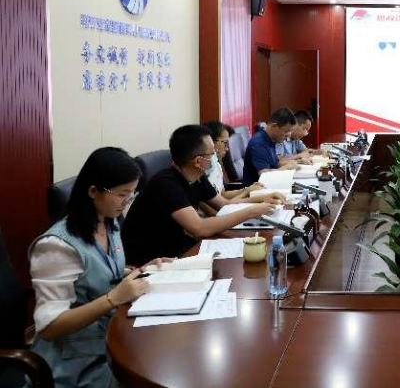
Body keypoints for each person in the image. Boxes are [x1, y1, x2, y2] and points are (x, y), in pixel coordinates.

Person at [28, 147, 168, 388]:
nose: (127, 202)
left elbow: (101, 271)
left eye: (132, 194)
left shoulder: (108, 222)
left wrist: (141, 270)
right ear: (93, 191)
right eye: (122, 194)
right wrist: (113, 298)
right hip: (75, 361)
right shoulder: (56, 247)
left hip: (112, 336)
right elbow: (50, 327)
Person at [122, 125, 281, 264]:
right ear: (198, 161)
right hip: (152, 260)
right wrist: (251, 211)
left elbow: (223, 204)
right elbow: (199, 228)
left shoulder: (197, 176)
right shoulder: (166, 184)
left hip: (178, 248)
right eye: (211, 153)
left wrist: (261, 199)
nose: (215, 156)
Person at [243, 108, 299, 185]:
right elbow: (264, 175)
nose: (289, 135)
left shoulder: (271, 139)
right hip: (257, 188)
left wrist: (296, 162)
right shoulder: (259, 144)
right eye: (286, 131)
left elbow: (273, 164)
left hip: (271, 184)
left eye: (290, 131)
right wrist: (286, 168)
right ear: (274, 126)